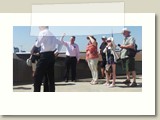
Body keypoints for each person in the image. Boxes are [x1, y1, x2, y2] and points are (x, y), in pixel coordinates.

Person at [33, 26, 62, 92]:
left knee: (37, 76)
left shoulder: (42, 33)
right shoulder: (52, 35)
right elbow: (60, 43)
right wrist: (57, 51)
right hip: (51, 56)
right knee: (50, 77)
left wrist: (34, 47)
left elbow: (37, 44)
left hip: (44, 56)